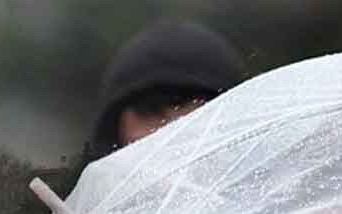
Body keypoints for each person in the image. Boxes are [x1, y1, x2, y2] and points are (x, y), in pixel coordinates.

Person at [91, 18, 247, 155]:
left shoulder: (266, 185)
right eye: (150, 109)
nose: (171, 131)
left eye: (201, 113)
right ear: (116, 129)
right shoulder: (90, 187)